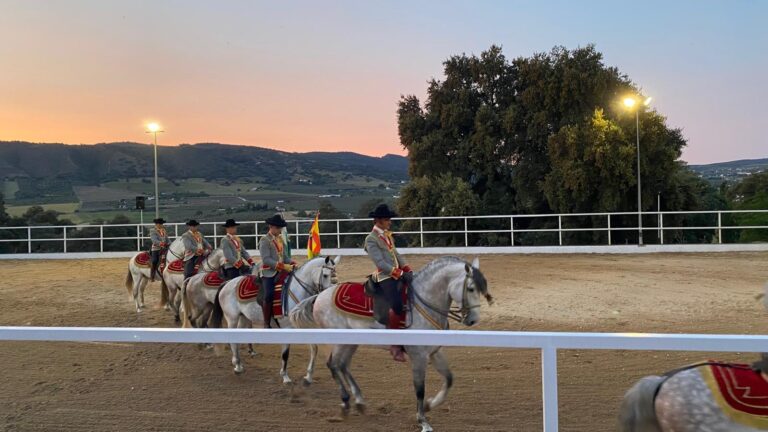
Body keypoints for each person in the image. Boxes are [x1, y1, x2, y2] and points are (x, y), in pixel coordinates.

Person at [364, 203, 413, 362]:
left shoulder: (387, 235)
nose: (389, 222)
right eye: (387, 219)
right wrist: (398, 273)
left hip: (396, 274)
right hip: (385, 277)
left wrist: (406, 268)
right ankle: (394, 345)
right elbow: (380, 262)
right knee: (397, 305)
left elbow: (395, 253)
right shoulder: (371, 239)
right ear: (378, 221)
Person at [259, 213, 296, 328]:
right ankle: (266, 322)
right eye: (278, 228)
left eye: (280, 228)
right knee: (269, 294)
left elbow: (285, 256)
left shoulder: (279, 239)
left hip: (280, 270)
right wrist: (283, 266)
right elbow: (266, 260)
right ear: (272, 227)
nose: (280, 230)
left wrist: (292, 262)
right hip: (268, 272)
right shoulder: (264, 240)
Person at [149, 217, 169, 282]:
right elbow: (154, 240)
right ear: (156, 224)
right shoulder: (152, 230)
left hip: (164, 248)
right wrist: (162, 244)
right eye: (160, 224)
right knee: (154, 261)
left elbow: (167, 239)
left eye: (162, 223)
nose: (161, 225)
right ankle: (152, 275)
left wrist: (170, 243)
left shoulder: (164, 230)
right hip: (156, 249)